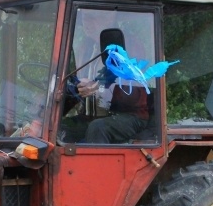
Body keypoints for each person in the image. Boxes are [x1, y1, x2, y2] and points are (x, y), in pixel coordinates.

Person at [61, 9, 152, 144]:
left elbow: (132, 89)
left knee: (98, 128)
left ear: (110, 17)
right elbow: (78, 83)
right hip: (91, 116)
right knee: (60, 128)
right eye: (85, 18)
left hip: (129, 115)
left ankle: (95, 165)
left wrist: (98, 88)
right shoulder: (85, 47)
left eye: (92, 17)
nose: (87, 23)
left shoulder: (130, 45)